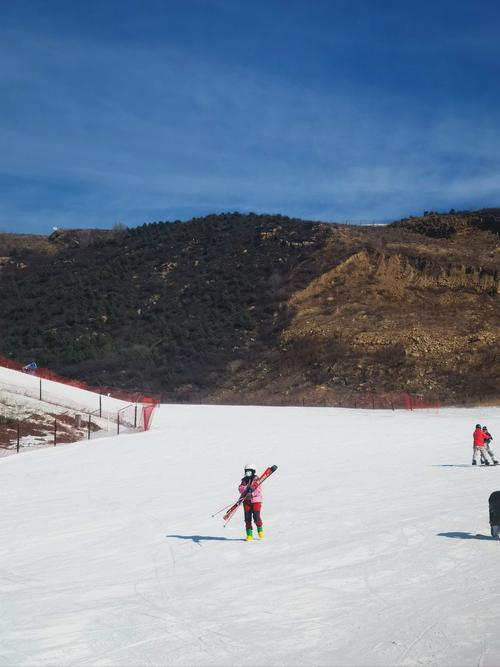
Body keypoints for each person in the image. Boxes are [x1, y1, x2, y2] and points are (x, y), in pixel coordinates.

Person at [238, 464, 264, 541]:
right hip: (246, 502)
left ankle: (260, 530)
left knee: (256, 517)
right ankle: (249, 535)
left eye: (249, 471)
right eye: (246, 471)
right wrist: (245, 489)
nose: (247, 473)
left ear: (253, 472)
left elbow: (258, 490)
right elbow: (240, 489)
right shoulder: (244, 481)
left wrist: (252, 494)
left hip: (256, 501)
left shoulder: (257, 480)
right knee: (247, 518)